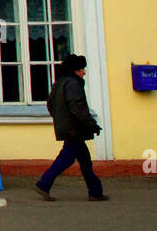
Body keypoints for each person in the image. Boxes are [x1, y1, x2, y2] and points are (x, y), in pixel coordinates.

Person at [35, 54, 108, 201]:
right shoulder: (73, 84)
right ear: (75, 70)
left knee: (85, 161)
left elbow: (50, 105)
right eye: (82, 69)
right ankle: (43, 184)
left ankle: (95, 191)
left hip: (69, 128)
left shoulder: (59, 83)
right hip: (74, 130)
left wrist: (60, 119)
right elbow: (78, 108)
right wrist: (92, 125)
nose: (84, 72)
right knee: (67, 159)